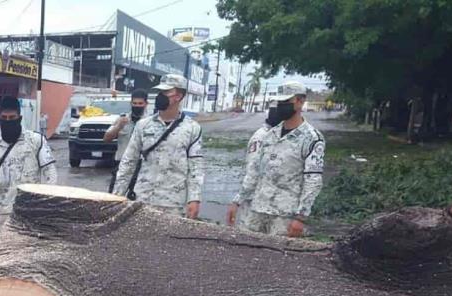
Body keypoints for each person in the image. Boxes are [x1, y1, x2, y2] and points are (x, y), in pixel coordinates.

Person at [228, 82, 325, 237]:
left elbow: (313, 181)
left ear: (300, 101)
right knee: (245, 254)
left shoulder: (312, 138)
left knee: (277, 258)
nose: (281, 106)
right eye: (279, 102)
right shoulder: (269, 135)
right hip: (257, 210)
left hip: (285, 215)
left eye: (286, 102)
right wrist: (237, 200)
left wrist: (301, 217)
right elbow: (254, 171)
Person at [113, 74, 204, 218]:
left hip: (173, 203)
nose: (160, 96)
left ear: (178, 96)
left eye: (166, 92)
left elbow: (195, 167)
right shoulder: (143, 125)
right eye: (159, 92)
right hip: (143, 198)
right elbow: (128, 161)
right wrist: (117, 195)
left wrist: (194, 198)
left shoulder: (192, 128)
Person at [0, 96, 57, 231]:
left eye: (12, 118)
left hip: (30, 210)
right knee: (3, 250)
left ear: (19, 118)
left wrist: (46, 203)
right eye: (4, 118)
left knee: (28, 249)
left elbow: (50, 173)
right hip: (2, 210)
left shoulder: (36, 141)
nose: (8, 121)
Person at [227, 102, 280, 228]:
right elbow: (253, 171)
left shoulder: (279, 136)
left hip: (273, 204)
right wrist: (237, 201)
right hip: (254, 204)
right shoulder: (262, 137)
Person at [103, 88, 148, 193]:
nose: (137, 106)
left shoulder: (150, 122)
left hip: (142, 166)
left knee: (138, 199)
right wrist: (118, 126)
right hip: (121, 163)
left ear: (146, 104)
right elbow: (106, 138)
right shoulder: (122, 119)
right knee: (115, 196)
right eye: (134, 103)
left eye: (140, 103)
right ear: (131, 103)